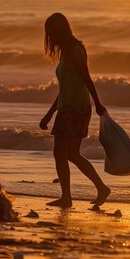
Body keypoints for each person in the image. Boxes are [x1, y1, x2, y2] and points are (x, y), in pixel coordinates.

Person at [39, 13, 111, 208]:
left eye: (51, 31)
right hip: (65, 107)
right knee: (58, 152)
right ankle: (66, 197)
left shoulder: (76, 50)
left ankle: (102, 188)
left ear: (60, 29)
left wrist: (97, 103)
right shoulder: (64, 52)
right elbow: (64, 89)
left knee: (71, 153)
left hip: (78, 108)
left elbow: (87, 79)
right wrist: (50, 113)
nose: (49, 35)